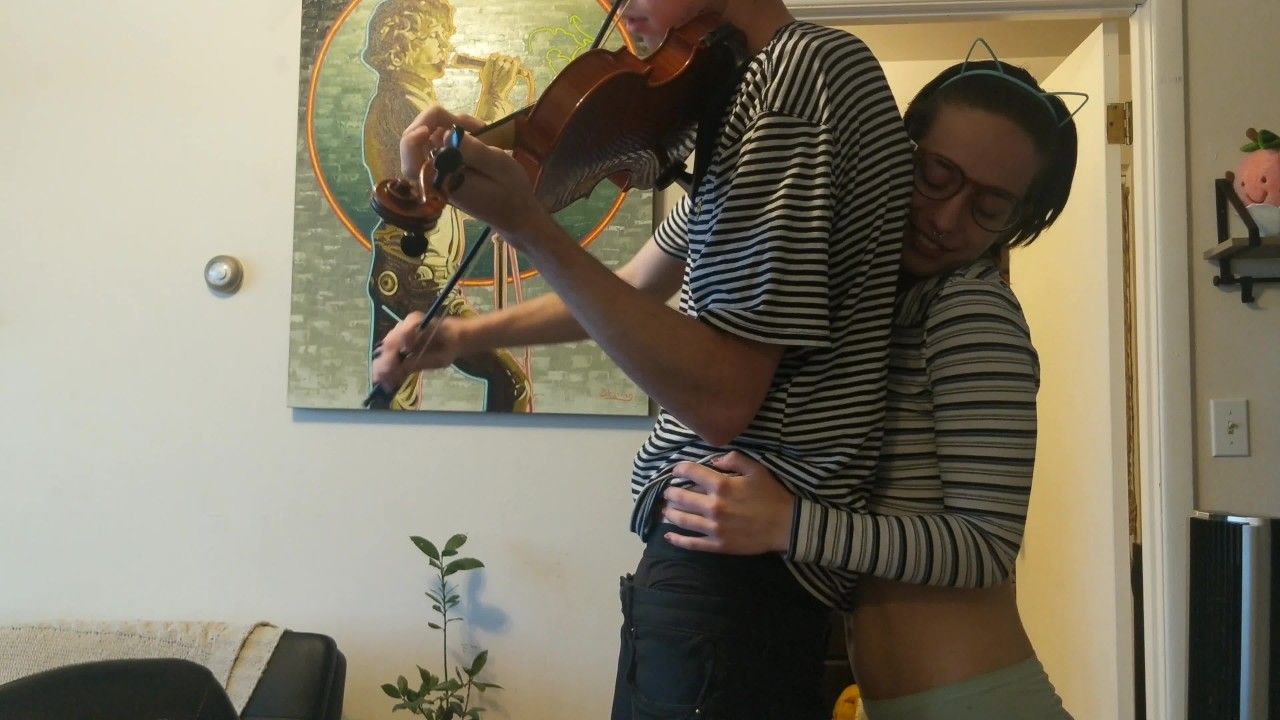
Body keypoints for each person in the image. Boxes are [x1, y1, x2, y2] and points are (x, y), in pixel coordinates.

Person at [371, 0, 916, 716]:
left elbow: (722, 398)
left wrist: (531, 226)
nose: (623, 8)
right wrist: (463, 337)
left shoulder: (798, 73)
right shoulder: (753, 95)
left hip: (735, 570)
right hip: (721, 575)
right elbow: (631, 289)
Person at [657, 48, 1080, 719]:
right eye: (935, 175)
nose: (946, 219)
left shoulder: (972, 308)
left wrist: (788, 524)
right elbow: (660, 260)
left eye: (990, 206)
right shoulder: (876, 299)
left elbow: (987, 546)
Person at [362, 0, 533, 412]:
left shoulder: (414, 101)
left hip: (406, 268)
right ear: (401, 46)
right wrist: (494, 95)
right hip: (418, 273)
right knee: (510, 382)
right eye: (434, 36)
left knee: (392, 397)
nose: (446, 44)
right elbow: (465, 177)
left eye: (446, 35)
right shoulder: (401, 104)